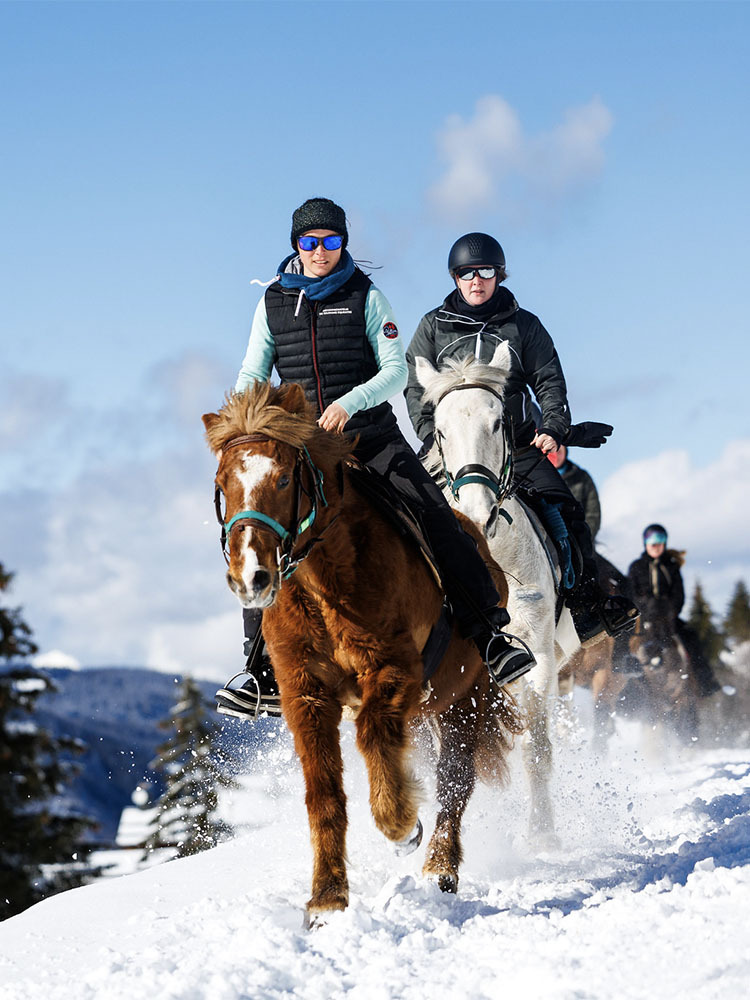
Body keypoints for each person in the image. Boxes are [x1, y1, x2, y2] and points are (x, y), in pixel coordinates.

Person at [215, 200, 535, 720]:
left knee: (436, 519)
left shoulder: (366, 296)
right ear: (296, 246)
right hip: (306, 448)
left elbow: (393, 372)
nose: (321, 253)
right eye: (310, 243)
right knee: (261, 529)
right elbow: (254, 371)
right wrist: (248, 422)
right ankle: (260, 671)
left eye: (331, 242)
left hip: (369, 438)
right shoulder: (272, 303)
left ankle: (491, 637)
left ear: (344, 244)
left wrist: (348, 405)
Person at [404, 232, 638, 645]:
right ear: (455, 277)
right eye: (466, 273)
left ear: (499, 275)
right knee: (404, 513)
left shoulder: (524, 325)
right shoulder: (432, 327)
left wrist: (552, 427)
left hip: (517, 445)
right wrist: (430, 437)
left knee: (567, 511)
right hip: (453, 449)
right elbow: (415, 388)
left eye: (486, 272)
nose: (476, 280)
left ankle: (586, 605)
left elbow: (549, 380)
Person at [627, 524, 720, 696]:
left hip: (667, 618)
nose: (656, 545)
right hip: (642, 618)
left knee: (691, 637)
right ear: (645, 543)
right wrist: (645, 606)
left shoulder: (671, 567)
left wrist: (670, 611)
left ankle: (705, 681)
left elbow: (679, 595)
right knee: (625, 642)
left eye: (660, 540)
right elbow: (631, 594)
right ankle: (625, 686)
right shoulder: (637, 567)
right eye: (652, 541)